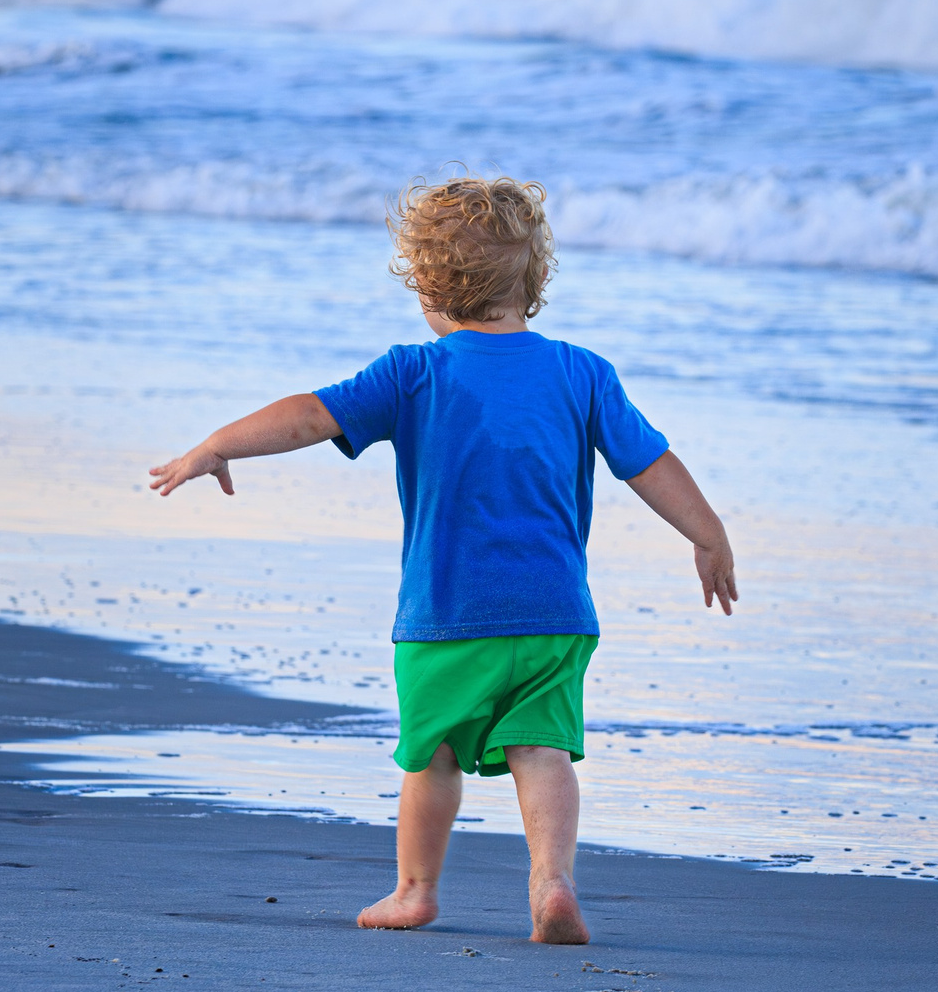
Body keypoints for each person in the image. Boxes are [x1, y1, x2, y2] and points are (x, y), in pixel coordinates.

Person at [149, 175, 738, 946]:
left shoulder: (414, 372)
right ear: (535, 281)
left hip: (446, 613)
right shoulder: (582, 372)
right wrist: (708, 532)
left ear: (427, 285)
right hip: (554, 613)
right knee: (544, 749)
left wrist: (217, 444)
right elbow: (649, 464)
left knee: (431, 760)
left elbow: (307, 416)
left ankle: (415, 889)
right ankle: (552, 881)